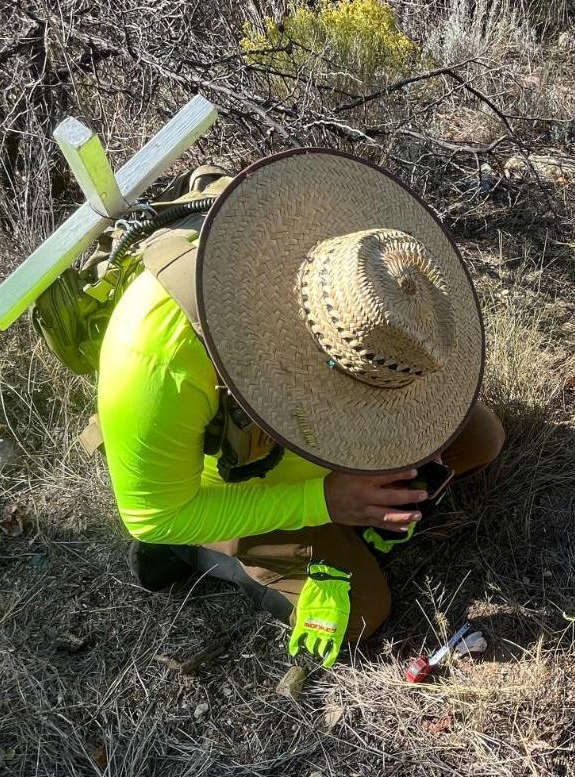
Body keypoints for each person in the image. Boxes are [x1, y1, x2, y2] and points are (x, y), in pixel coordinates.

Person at [96, 149, 503, 666]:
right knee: (362, 612)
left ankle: (353, 507)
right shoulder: (156, 358)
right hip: (232, 483)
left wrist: (389, 433)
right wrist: (325, 500)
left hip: (312, 441)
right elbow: (154, 515)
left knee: (481, 438)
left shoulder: (345, 250)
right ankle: (201, 554)